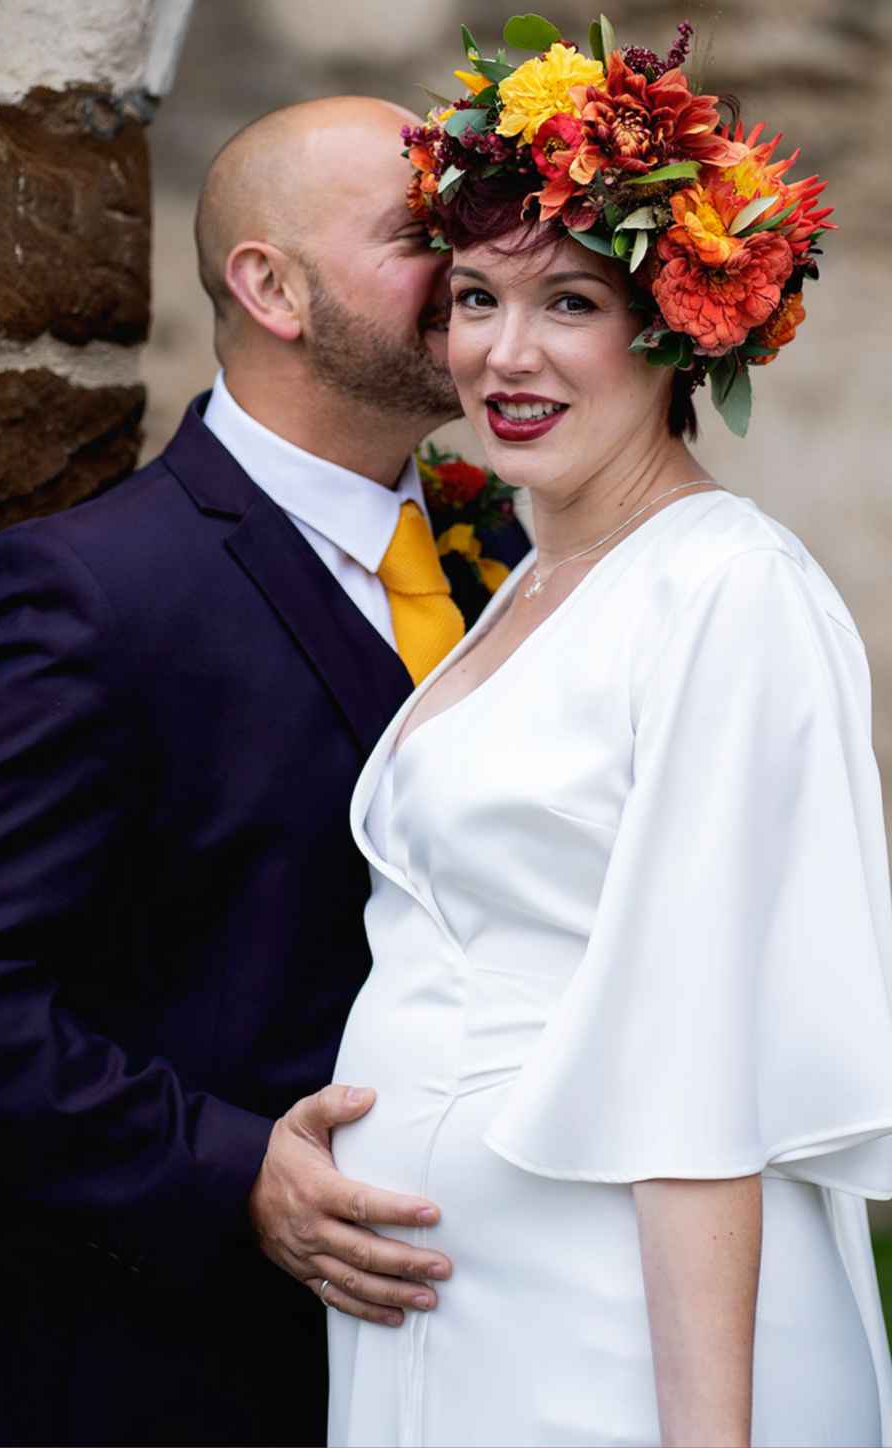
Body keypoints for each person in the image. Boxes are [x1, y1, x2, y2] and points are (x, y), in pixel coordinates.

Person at [0, 97, 528, 1447]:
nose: (472, 267)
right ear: (269, 286)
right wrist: (237, 1177)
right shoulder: (97, 589)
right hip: (169, 1374)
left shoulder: (505, 558)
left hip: (470, 1349)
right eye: (422, 232)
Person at [326, 19, 892, 1448]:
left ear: (683, 321)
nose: (502, 354)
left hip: (618, 1340)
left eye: (568, 301)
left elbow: (699, 1055)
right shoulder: (532, 578)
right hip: (457, 1312)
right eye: (471, 298)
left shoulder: (726, 593)